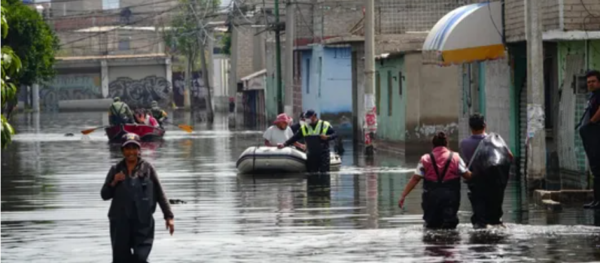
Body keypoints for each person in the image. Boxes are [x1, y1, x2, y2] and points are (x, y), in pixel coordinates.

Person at [100, 133, 174, 263]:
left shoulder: (148, 169)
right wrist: (114, 182)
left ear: (139, 150)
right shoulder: (115, 169)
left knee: (141, 258)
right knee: (120, 259)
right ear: (123, 150)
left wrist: (169, 216)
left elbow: (159, 192)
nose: (131, 152)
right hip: (120, 222)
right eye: (127, 148)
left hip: (143, 222)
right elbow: (104, 195)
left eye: (134, 148)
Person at [398, 132, 472, 229]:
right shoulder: (456, 158)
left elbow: (415, 179)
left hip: (431, 197)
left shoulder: (425, 159)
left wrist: (403, 195)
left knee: (431, 226)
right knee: (450, 226)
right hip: (450, 198)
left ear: (433, 144)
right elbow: (467, 176)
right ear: (447, 143)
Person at [460, 113, 513, 228]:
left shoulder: (464, 143)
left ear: (470, 127)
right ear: (485, 125)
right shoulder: (496, 140)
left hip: (476, 181)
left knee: (479, 218)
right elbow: (509, 156)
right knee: (496, 216)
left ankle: (480, 237)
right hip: (495, 183)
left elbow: (466, 163)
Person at [578, 70, 600, 209]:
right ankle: (596, 199)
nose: (590, 84)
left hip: (596, 134)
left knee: (598, 169)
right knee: (596, 170)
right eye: (588, 82)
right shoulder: (593, 96)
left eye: (593, 81)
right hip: (591, 134)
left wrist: (591, 123)